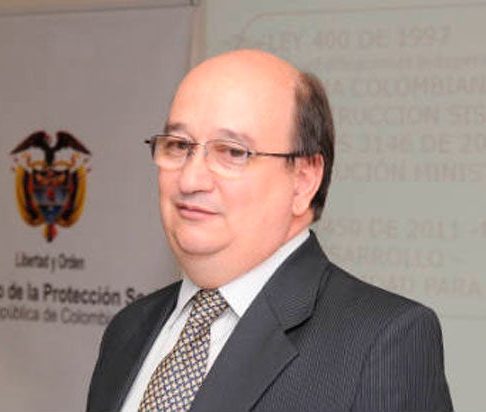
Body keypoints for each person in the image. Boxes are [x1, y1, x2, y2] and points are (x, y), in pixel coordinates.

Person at [86, 49, 453, 412]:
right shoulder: (129, 329)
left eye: (233, 152)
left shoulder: (382, 341)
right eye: (179, 146)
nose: (190, 179)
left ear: (303, 180)